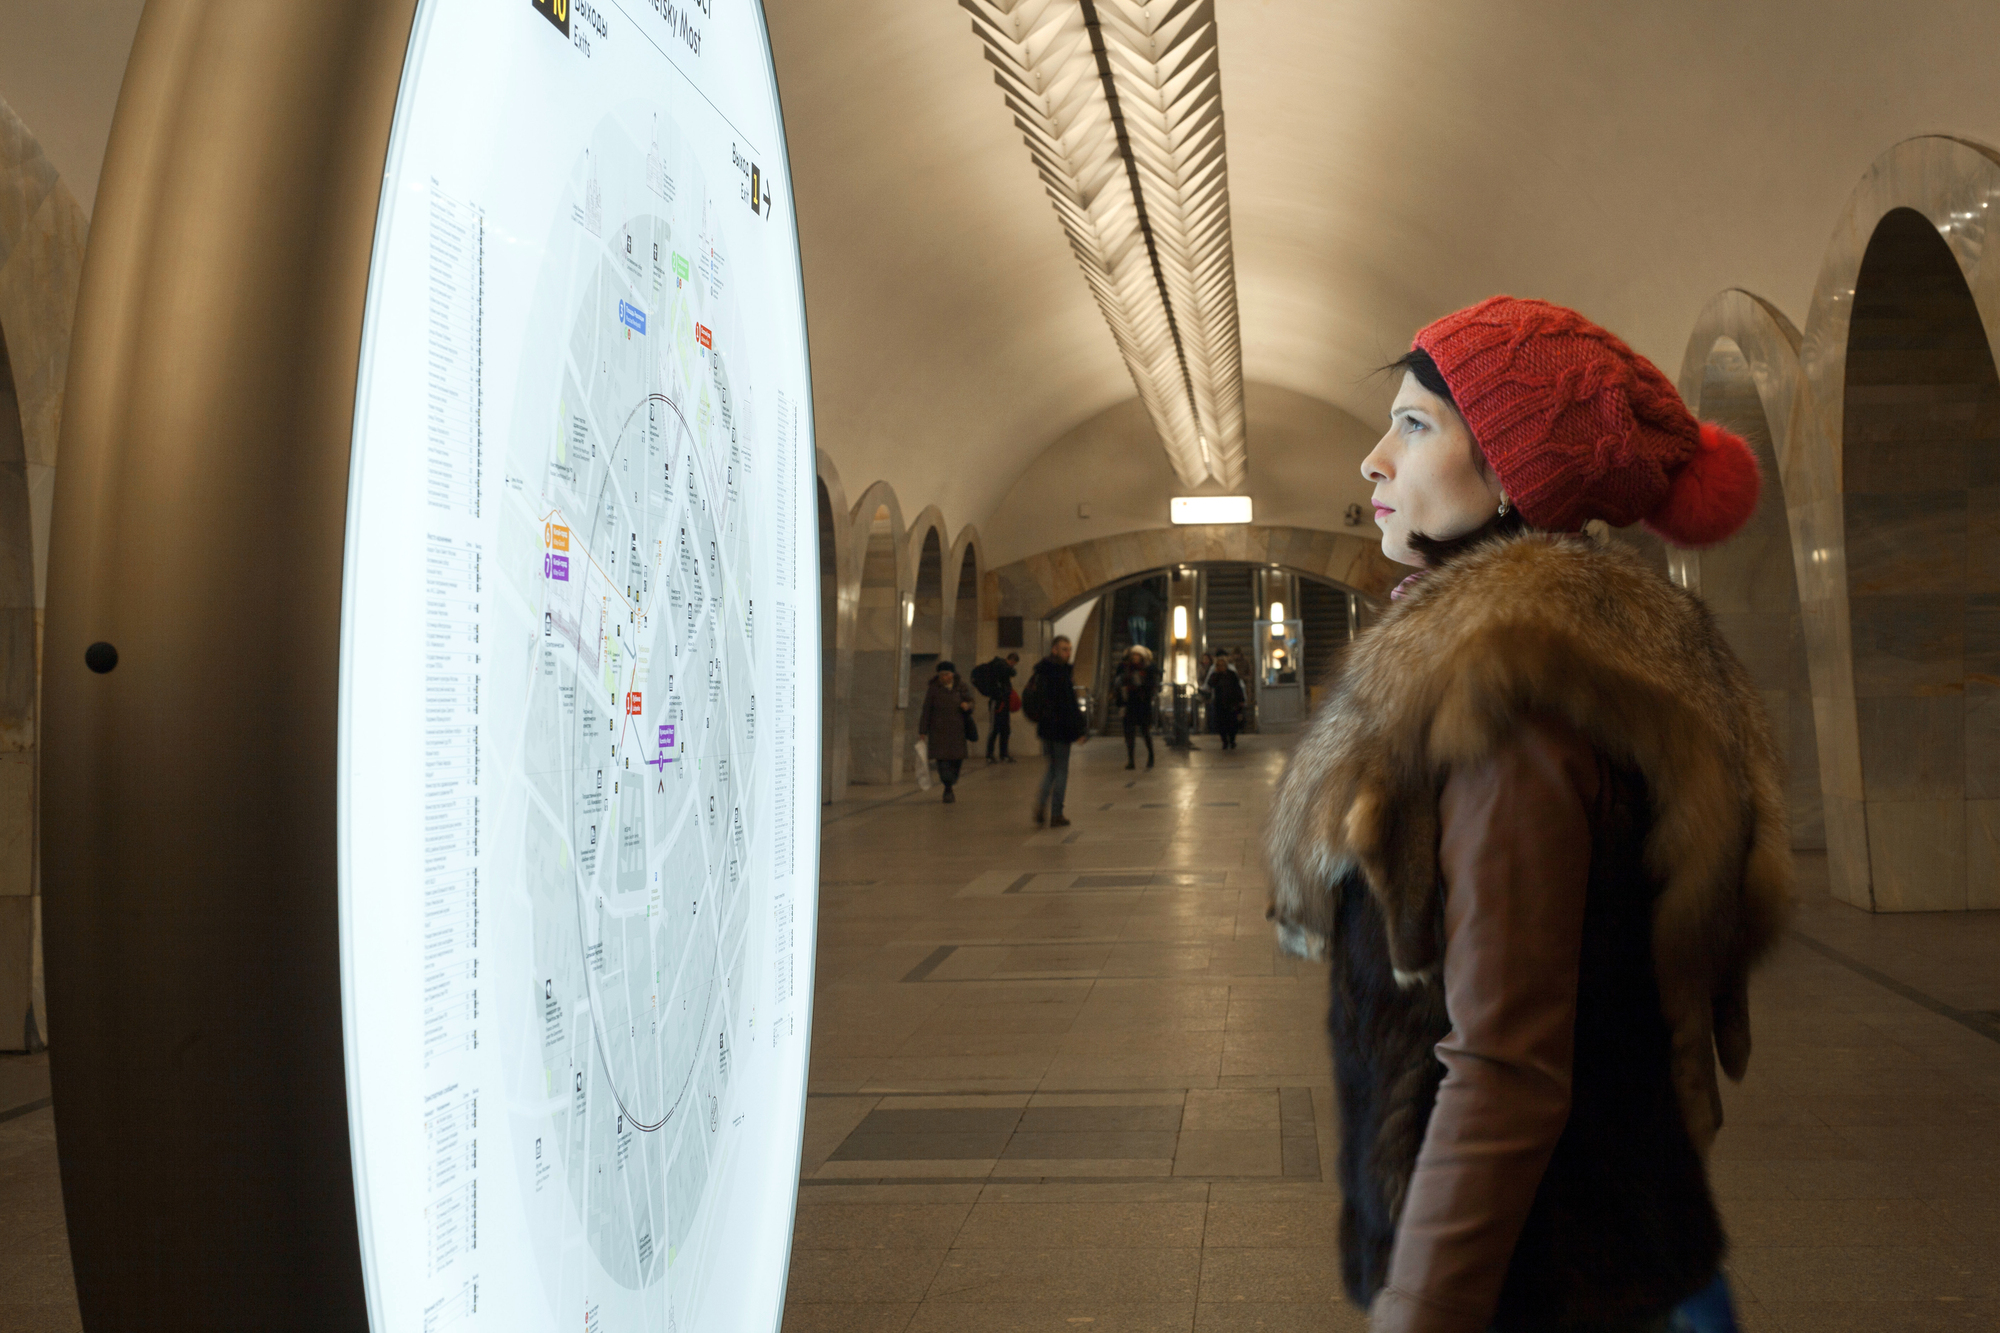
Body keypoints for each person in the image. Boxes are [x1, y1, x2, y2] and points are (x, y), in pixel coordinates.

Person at [1264, 297, 1788, 1333]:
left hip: (1535, 1271)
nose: (1374, 459)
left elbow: (1503, 1061)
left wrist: (1422, 1308)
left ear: (1513, 469)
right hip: (1598, 1238)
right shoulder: (1581, 665)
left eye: (1414, 425)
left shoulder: (1508, 706)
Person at [1023, 635, 1087, 827]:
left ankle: (1041, 804)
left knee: (1051, 768)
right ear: (1054, 650)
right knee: (1061, 771)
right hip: (1060, 729)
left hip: (1046, 729)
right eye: (1064, 649)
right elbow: (1069, 705)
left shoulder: (1042, 671)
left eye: (1069, 649)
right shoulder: (1060, 673)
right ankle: (1057, 813)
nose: (1068, 653)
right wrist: (1079, 730)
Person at [916, 660, 976, 804]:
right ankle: (948, 788)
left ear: (953, 674)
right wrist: (923, 731)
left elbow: (972, 702)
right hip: (939, 732)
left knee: (956, 761)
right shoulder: (933, 689)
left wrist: (967, 706)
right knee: (942, 762)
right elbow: (926, 710)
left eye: (947, 674)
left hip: (957, 732)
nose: (945, 677)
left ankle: (951, 783)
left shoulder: (961, 687)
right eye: (942, 675)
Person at [1113, 644, 1161, 769]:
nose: (1135, 657)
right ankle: (1131, 760)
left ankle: (1151, 755)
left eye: (1138, 655)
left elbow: (1151, 687)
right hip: (1129, 704)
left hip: (1142, 705)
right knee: (1129, 733)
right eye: (1133, 655)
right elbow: (1119, 684)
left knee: (1145, 732)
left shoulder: (1147, 669)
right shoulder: (1126, 668)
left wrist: (1141, 684)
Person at [975, 651, 1019, 763]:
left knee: (1005, 729)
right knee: (994, 729)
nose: (1013, 666)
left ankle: (1003, 754)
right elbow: (1011, 672)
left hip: (1003, 702)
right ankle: (989, 755)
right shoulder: (999, 665)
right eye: (1013, 663)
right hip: (997, 702)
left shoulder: (1002, 668)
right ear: (1011, 660)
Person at [1207, 650, 1245, 750]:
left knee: (1232, 723)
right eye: (1219, 665)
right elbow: (1210, 684)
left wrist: (1241, 700)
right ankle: (1224, 741)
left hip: (1232, 702)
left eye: (1223, 665)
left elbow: (1237, 687)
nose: (1221, 667)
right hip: (1220, 703)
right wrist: (1216, 674)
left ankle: (1232, 740)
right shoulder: (1215, 675)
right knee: (1221, 724)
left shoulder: (1231, 674)